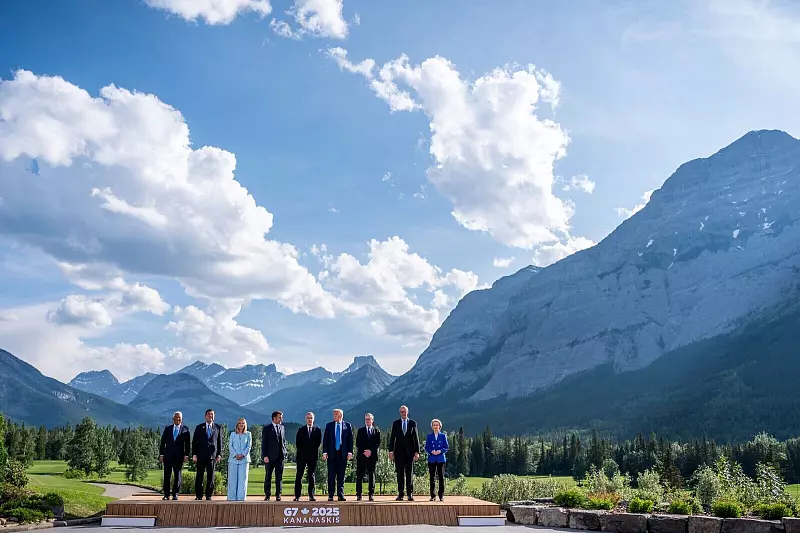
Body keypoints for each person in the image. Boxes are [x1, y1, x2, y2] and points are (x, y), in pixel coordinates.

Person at [388, 404, 420, 501]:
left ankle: (410, 494)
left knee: (409, 473)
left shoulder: (413, 423)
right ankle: (400, 494)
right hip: (398, 453)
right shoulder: (396, 423)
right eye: (401, 412)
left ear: (407, 412)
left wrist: (417, 452)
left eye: (404, 411)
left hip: (410, 453)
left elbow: (416, 438)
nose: (403, 413)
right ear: (399, 413)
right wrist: (390, 451)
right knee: (400, 474)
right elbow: (392, 438)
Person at [322, 408, 353, 501]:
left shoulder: (347, 426)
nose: (334, 416)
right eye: (333, 414)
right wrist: (325, 452)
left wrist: (350, 452)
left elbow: (350, 440)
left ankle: (340, 495)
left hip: (342, 453)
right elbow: (325, 440)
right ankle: (330, 495)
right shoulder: (329, 425)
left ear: (340, 415)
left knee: (341, 475)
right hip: (332, 453)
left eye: (335, 414)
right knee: (331, 475)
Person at [158, 411, 190, 501]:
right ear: (173, 418)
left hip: (179, 457)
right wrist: (161, 454)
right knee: (167, 476)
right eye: (176, 417)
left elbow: (187, 444)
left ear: (182, 419)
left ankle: (175, 494)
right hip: (168, 456)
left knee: (178, 476)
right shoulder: (167, 429)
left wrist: (187, 455)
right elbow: (162, 442)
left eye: (179, 417)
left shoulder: (186, 429)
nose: (177, 419)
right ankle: (166, 495)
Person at [192, 409, 222, 500]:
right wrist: (194, 454)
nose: (210, 416)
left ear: (214, 416)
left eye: (212, 414)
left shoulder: (218, 427)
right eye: (208, 414)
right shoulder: (199, 427)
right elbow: (194, 442)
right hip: (200, 455)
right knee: (199, 476)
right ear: (205, 416)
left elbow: (220, 442)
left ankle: (209, 495)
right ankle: (199, 496)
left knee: (211, 476)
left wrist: (219, 454)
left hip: (212, 456)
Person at [294, 411, 322, 502]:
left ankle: (311, 495)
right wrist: (303, 452)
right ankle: (297, 495)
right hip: (301, 456)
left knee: (311, 476)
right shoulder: (300, 430)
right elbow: (298, 443)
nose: (310, 419)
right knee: (299, 475)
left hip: (313, 457)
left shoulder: (317, 430)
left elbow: (318, 443)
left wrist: (311, 451)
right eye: (308, 418)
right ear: (305, 419)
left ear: (313, 419)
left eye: (311, 418)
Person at [261, 410, 287, 501]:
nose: (281, 419)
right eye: (280, 418)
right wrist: (265, 455)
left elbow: (283, 441)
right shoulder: (267, 428)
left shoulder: (282, 428)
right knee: (268, 476)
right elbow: (264, 443)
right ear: (274, 418)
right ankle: (267, 495)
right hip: (269, 457)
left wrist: (285, 452)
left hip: (280, 457)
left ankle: (278, 495)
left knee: (279, 477)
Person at [355, 413, 380, 501]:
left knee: (371, 475)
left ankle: (371, 494)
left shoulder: (377, 431)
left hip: (372, 456)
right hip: (362, 456)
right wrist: (364, 451)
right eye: (366, 419)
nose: (367, 421)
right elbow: (358, 443)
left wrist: (370, 451)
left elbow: (377, 443)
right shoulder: (360, 430)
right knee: (359, 475)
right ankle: (359, 494)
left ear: (372, 420)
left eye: (369, 419)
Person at [227, 418, 251, 501]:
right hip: (233, 459)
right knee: (232, 479)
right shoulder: (233, 434)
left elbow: (249, 446)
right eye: (240, 423)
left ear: (245, 425)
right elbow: (230, 446)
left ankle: (241, 498)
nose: (241, 424)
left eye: (243, 423)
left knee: (242, 480)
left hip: (244, 460)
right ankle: (231, 497)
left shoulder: (248, 434)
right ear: (237, 424)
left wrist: (243, 455)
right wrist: (235, 455)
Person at [424, 419, 449, 501]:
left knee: (441, 477)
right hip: (431, 459)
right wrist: (431, 451)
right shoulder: (429, 436)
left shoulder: (443, 436)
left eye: (437, 425)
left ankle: (441, 495)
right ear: (432, 426)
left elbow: (446, 447)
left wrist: (440, 451)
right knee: (432, 477)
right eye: (434, 425)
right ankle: (433, 495)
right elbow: (426, 447)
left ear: (440, 426)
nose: (435, 426)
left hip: (441, 459)